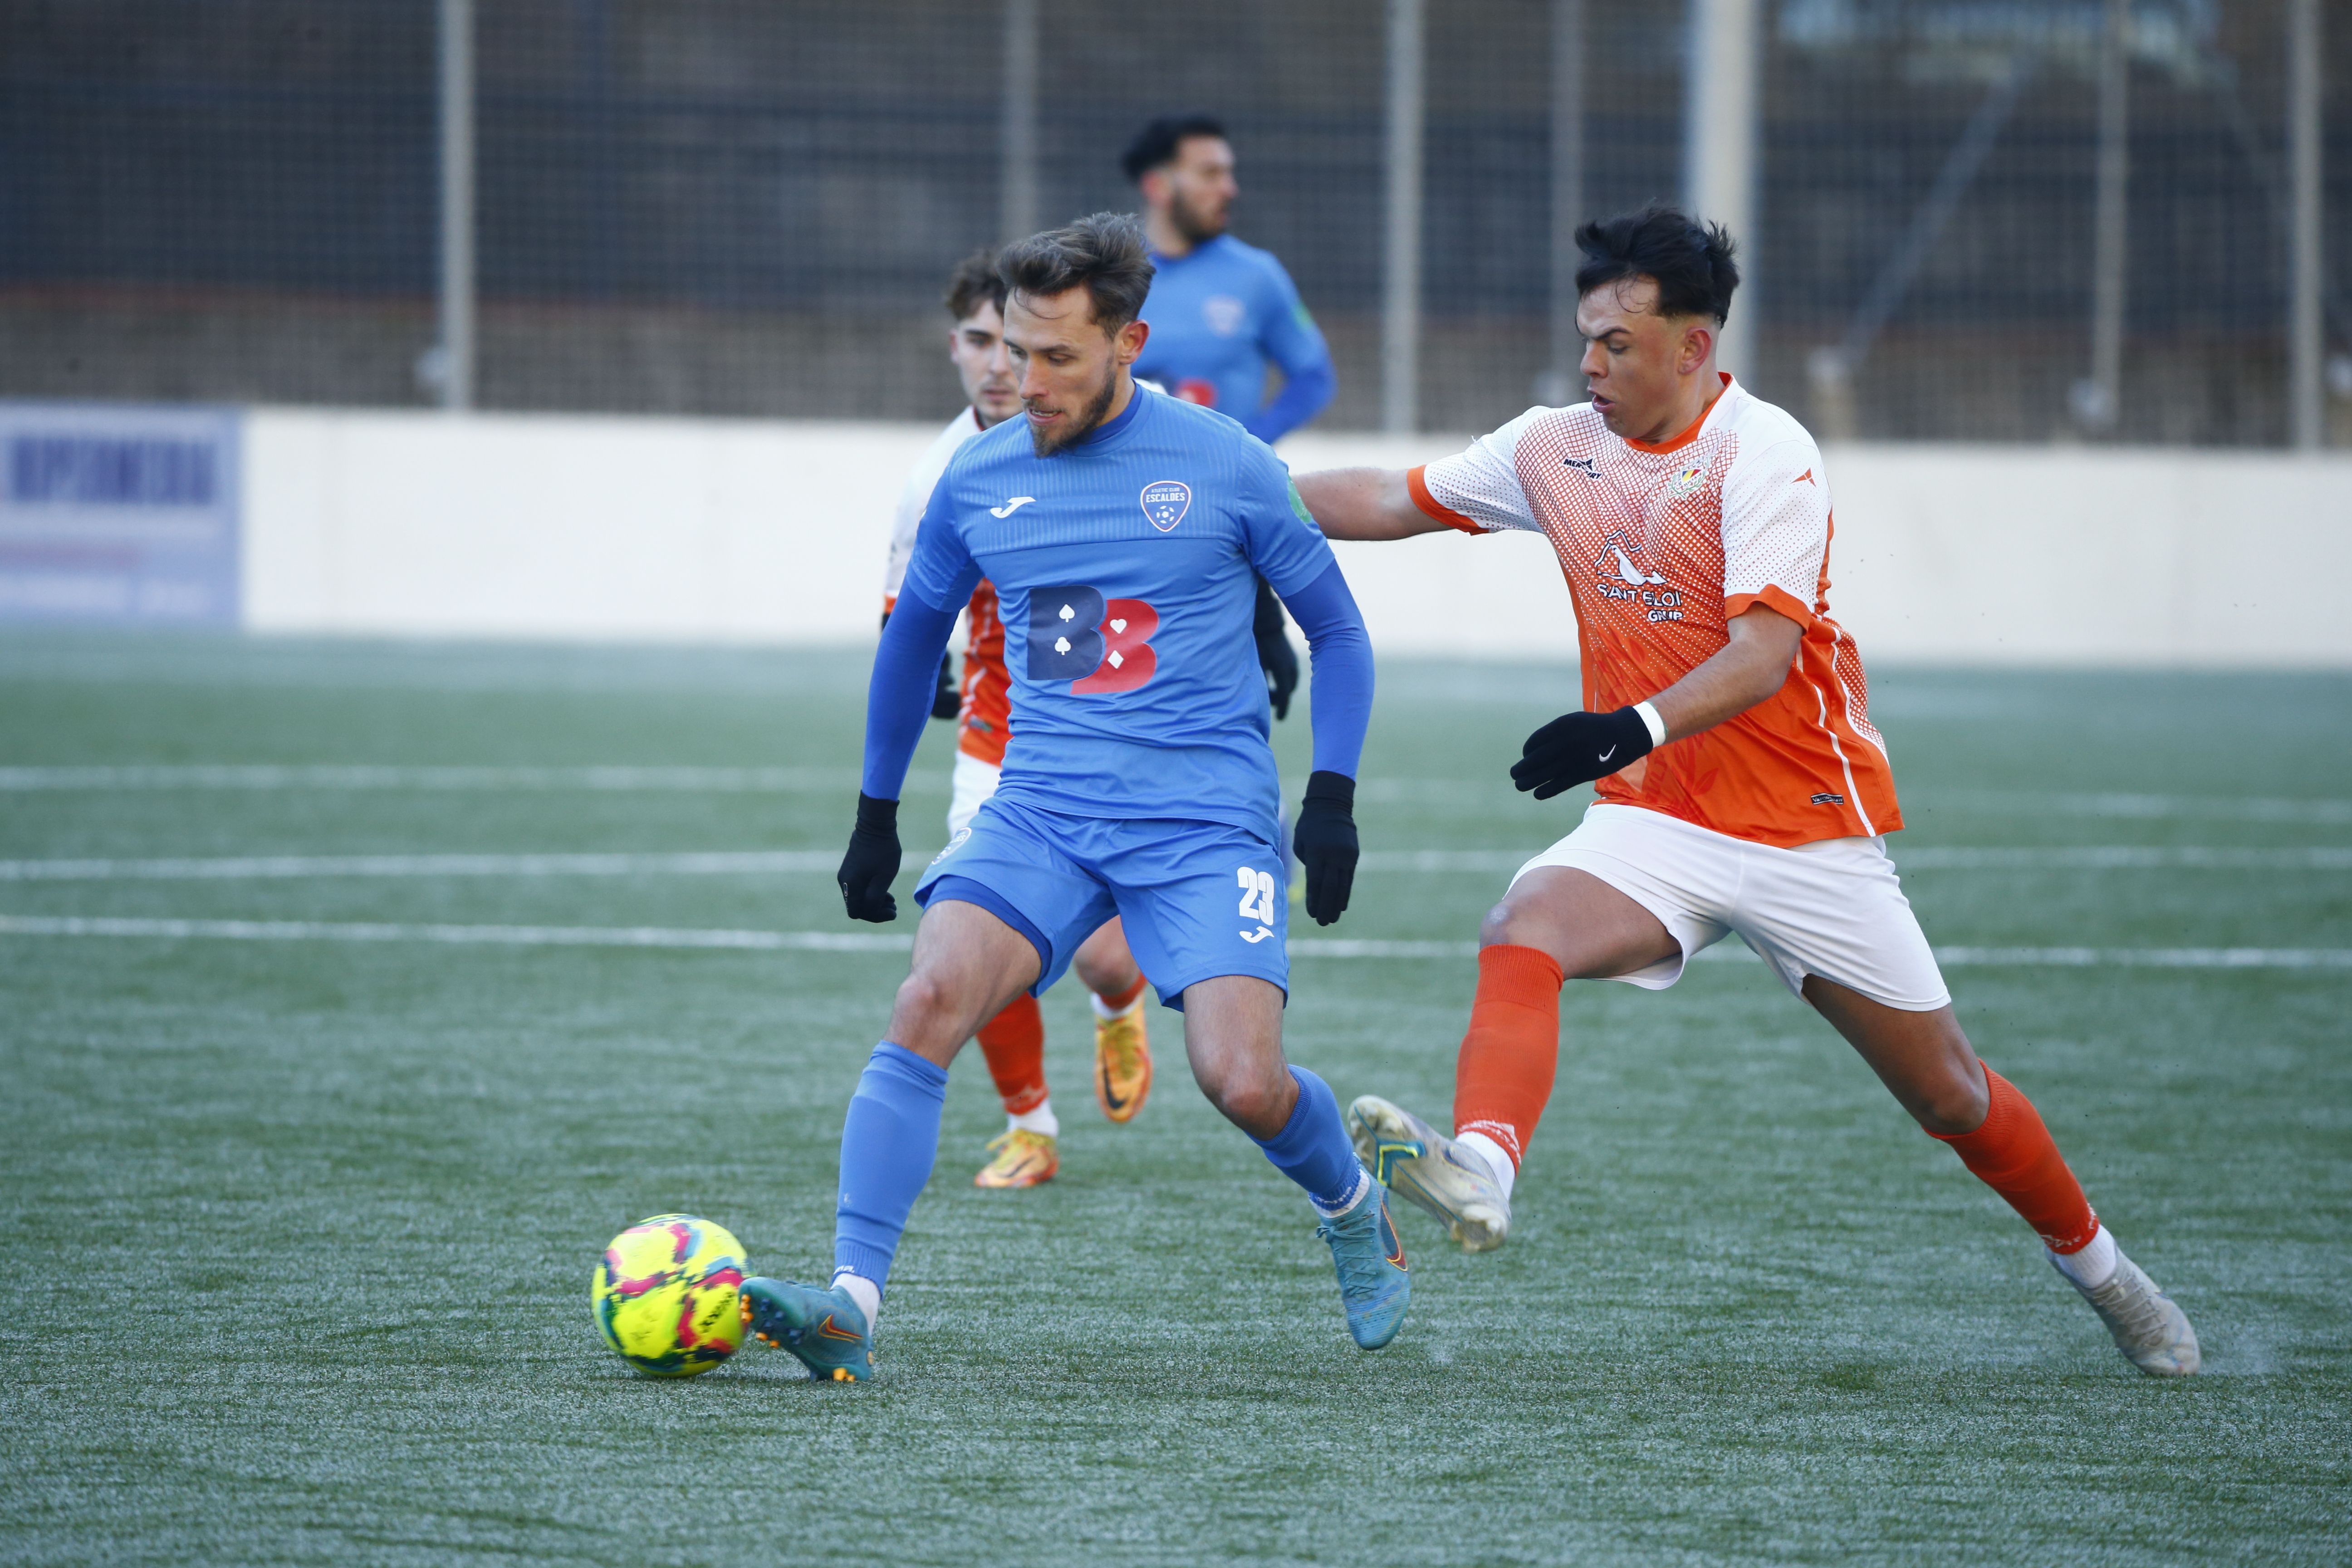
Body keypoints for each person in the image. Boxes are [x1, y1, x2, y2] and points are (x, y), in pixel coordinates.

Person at [1291, 206, 2200, 1378]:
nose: (1591, 364)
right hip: (1657, 821)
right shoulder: (1553, 446)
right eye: (1586, 339)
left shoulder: (1764, 452)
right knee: (1521, 929)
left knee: (1953, 1096)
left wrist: (1628, 725)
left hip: (1805, 833)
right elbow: (1392, 497)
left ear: (1696, 345)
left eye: (1618, 343)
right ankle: (1483, 1167)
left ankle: (2107, 1275)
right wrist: (1236, 492)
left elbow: (1764, 654)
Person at [740, 214, 1407, 1381]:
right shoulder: (978, 474)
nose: (1025, 381)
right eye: (1012, 348)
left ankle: (1353, 1204)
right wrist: (874, 811)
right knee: (930, 994)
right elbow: (913, 648)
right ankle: (850, 1301)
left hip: (1204, 825)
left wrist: (1333, 798)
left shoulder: (1230, 462)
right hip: (1042, 810)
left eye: (1057, 358)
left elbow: (1340, 633)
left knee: (1240, 1081)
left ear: (1129, 344)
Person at [882, 249, 1153, 1191]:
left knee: (1107, 956)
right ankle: (1029, 1126)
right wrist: (939, 680)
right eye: (980, 343)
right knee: (977, 929)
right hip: (999, 742)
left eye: (1019, 345)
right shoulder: (941, 477)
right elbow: (903, 624)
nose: (1002, 367)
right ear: (954, 350)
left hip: (1123, 728)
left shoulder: (1109, 425)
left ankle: (1119, 998)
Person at [1126, 112, 1338, 720]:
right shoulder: (1110, 277)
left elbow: (1314, 375)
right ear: (1160, 185)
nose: (1229, 187)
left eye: (1230, 173)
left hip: (1222, 516)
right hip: (1124, 505)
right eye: (1210, 173)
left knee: (1222, 688)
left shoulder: (1256, 277)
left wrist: (1247, 446)